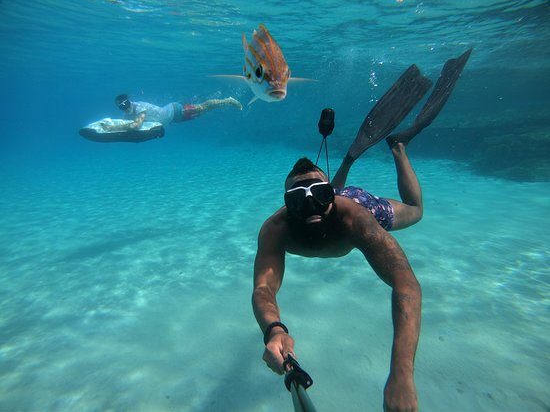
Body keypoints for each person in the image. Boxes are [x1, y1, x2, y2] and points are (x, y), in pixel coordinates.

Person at [252, 49, 471, 412]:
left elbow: (406, 284)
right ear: (287, 204)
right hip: (337, 196)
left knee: (416, 211)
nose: (311, 207)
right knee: (332, 194)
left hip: (355, 201)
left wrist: (402, 374)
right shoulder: (276, 228)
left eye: (319, 195)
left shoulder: (355, 217)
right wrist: (274, 329)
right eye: (298, 200)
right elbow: (263, 288)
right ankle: (347, 163)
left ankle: (398, 147)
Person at [102, 94, 243, 131]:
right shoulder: (127, 114)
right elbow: (128, 125)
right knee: (202, 112)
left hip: (176, 110)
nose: (125, 108)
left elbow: (136, 125)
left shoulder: (139, 107)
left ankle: (227, 100)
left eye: (126, 104)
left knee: (202, 107)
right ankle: (223, 102)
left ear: (130, 101)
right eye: (121, 107)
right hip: (174, 119)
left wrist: (112, 128)